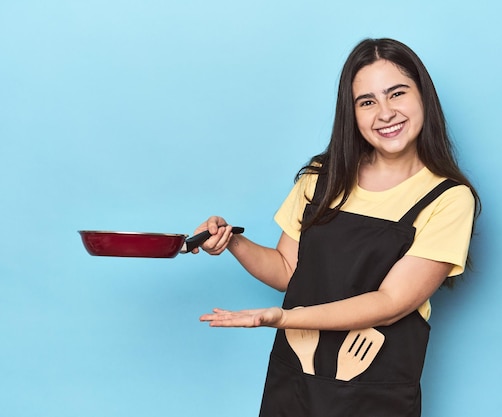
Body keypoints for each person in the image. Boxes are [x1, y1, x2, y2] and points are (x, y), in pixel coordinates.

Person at [194, 38, 480, 417]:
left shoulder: (448, 198)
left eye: (397, 93)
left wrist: (283, 318)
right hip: (295, 378)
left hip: (376, 391)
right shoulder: (322, 177)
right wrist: (232, 241)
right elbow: (287, 269)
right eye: (367, 102)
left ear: (423, 96)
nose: (385, 112)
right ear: (353, 113)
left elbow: (390, 304)